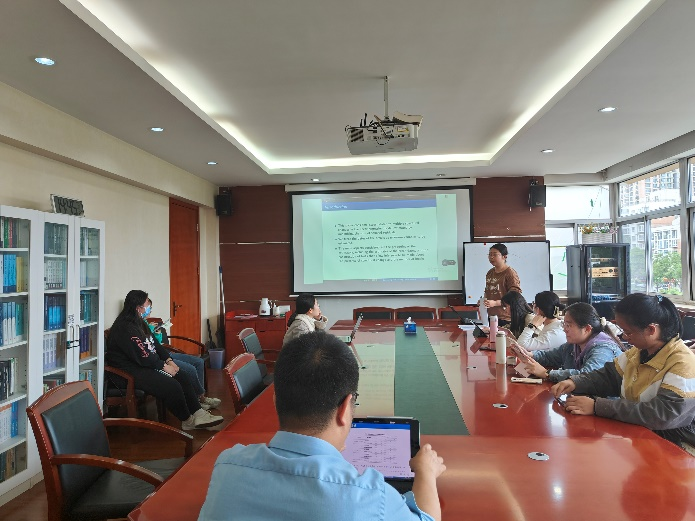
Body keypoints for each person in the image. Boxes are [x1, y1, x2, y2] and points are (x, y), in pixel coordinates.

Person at [198, 331, 446, 521]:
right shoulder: (369, 495)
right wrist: (425, 472)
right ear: (345, 409)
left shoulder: (227, 466)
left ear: (275, 401)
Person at [552, 294, 695, 449]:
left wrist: (597, 406)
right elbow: (609, 376)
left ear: (651, 329)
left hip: (675, 444)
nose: (624, 337)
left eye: (628, 332)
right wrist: (575, 382)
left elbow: (661, 414)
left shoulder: (682, 363)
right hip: (639, 434)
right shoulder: (638, 352)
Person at [106, 290, 223, 430]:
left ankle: (199, 413)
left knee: (182, 375)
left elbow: (155, 344)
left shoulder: (139, 322)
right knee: (172, 386)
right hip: (129, 372)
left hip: (143, 366)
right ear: (138, 308)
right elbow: (143, 356)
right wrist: (163, 366)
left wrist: (169, 361)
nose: (149, 306)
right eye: (147, 303)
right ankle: (187, 420)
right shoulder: (125, 327)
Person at [516, 302, 623, 383]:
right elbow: (549, 356)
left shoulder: (603, 349)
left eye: (569, 325)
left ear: (587, 329)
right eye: (564, 324)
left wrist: (547, 373)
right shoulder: (573, 345)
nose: (564, 329)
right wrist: (529, 355)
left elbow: (587, 376)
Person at [144, 300, 221, 410]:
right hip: (159, 358)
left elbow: (158, 343)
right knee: (190, 369)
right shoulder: (137, 327)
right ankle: (199, 399)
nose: (149, 311)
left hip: (166, 353)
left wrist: (157, 332)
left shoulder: (146, 324)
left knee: (199, 362)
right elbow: (149, 348)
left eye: (150, 308)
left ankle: (199, 397)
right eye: (147, 308)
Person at [483, 243, 521, 326]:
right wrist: (483, 301)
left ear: (504, 256)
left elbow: (515, 296)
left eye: (495, 255)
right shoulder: (490, 272)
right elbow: (487, 290)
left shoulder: (510, 273)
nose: (491, 257)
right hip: (491, 315)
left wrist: (495, 303)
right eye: (490, 255)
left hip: (505, 317)